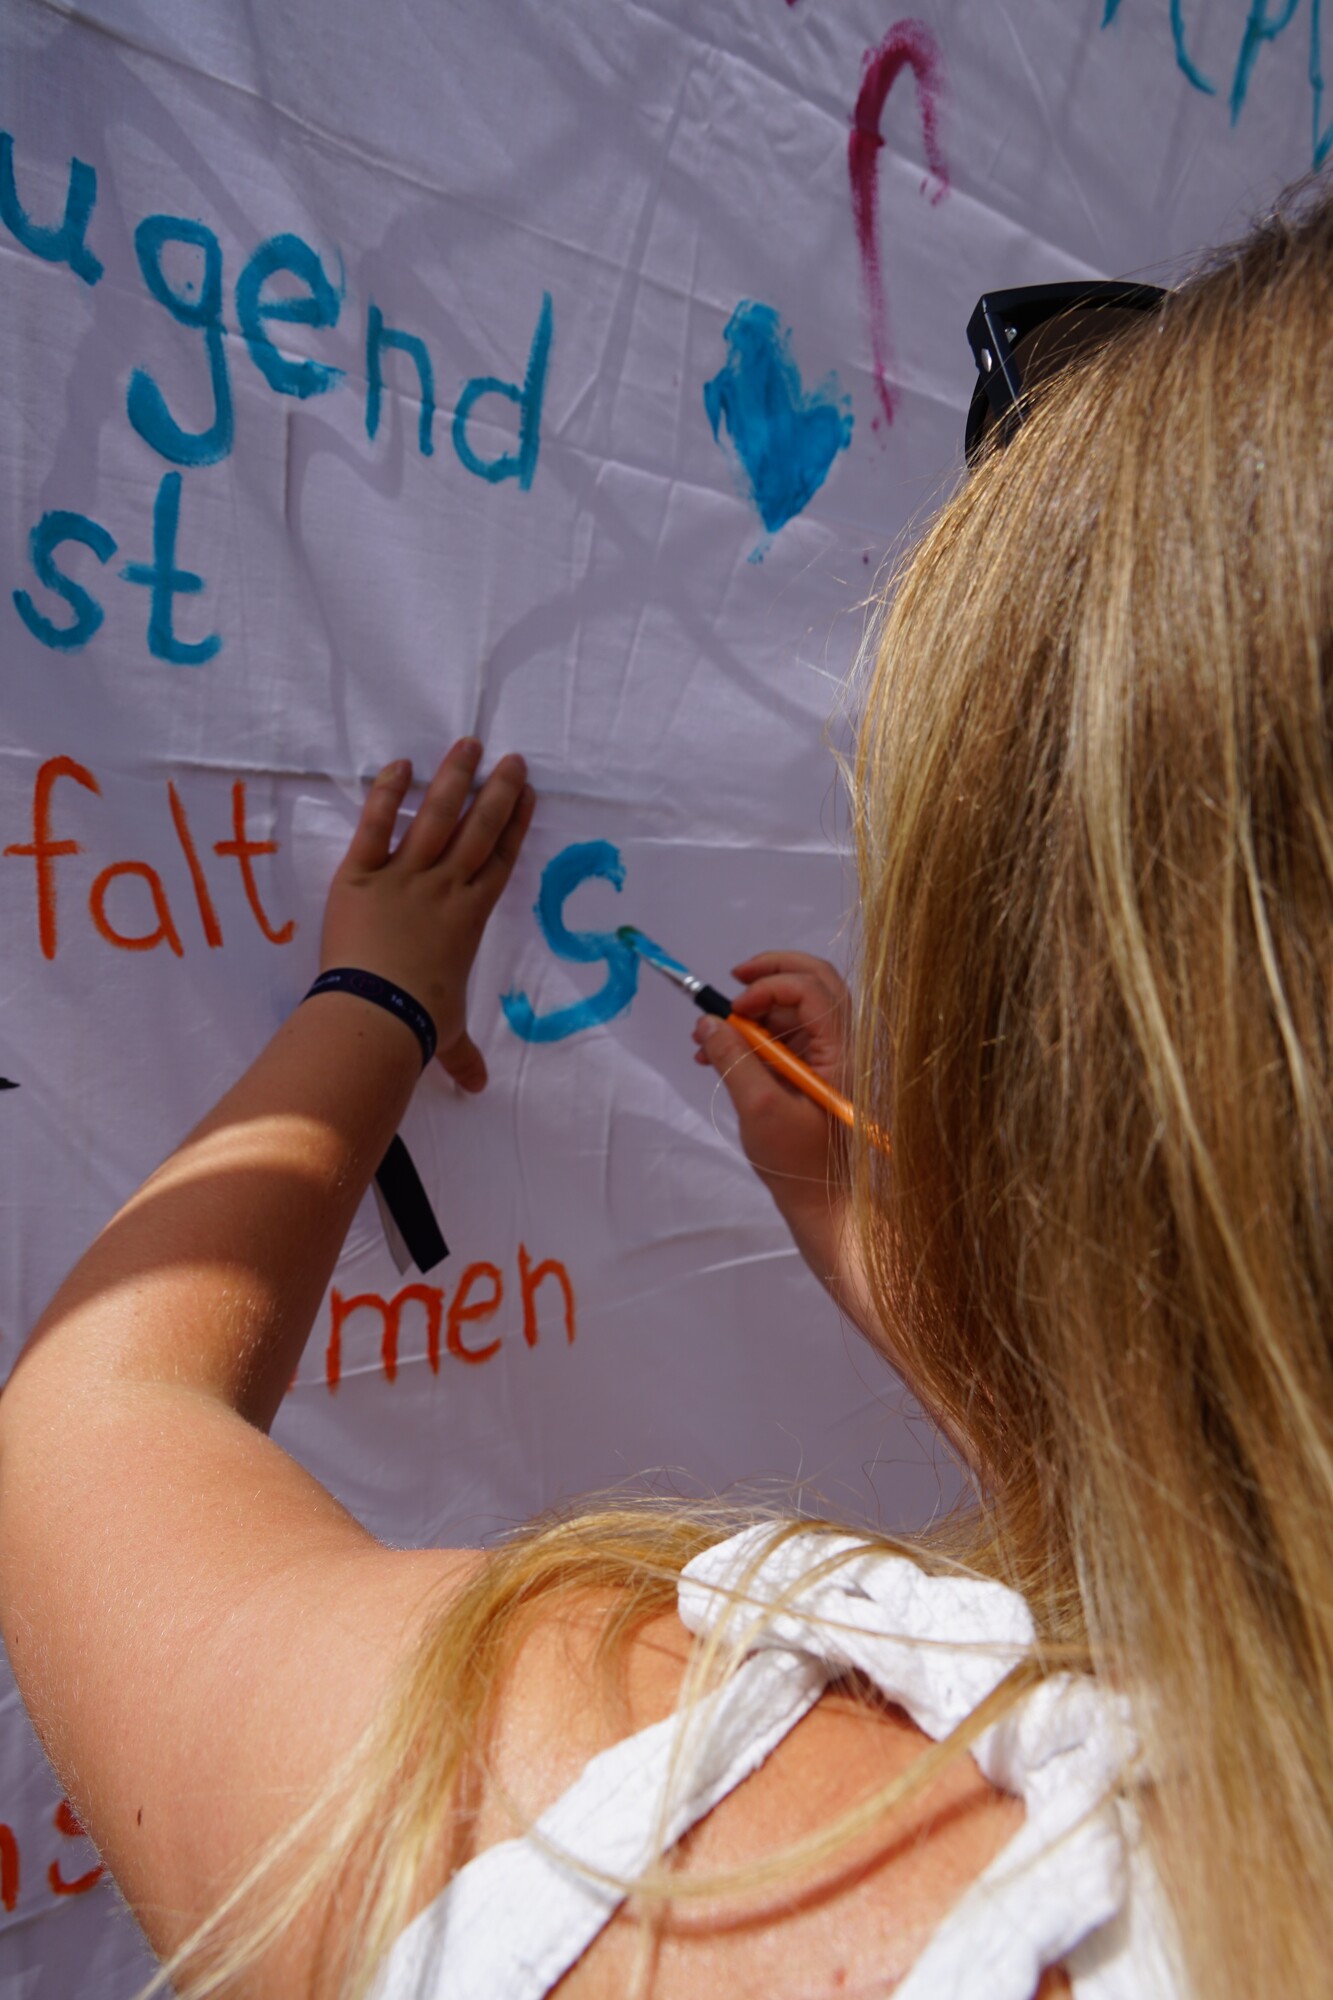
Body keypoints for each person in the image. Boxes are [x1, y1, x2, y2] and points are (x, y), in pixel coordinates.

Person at [1, 177, 1330, 2000]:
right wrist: (862, 1225)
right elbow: (1242, 1525)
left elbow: (95, 1432)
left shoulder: (712, 1859)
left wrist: (374, 991)